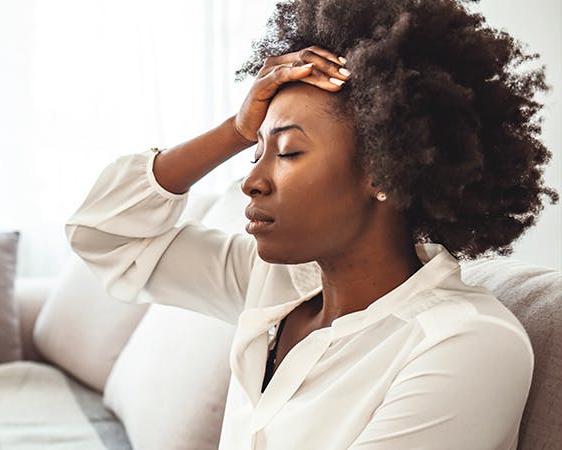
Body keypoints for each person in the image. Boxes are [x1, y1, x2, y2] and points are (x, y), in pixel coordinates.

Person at [65, 0, 559, 448]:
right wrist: (233, 131)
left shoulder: (463, 345)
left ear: (384, 171)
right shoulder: (277, 284)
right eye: (254, 151)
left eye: (287, 151)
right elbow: (106, 234)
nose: (251, 181)